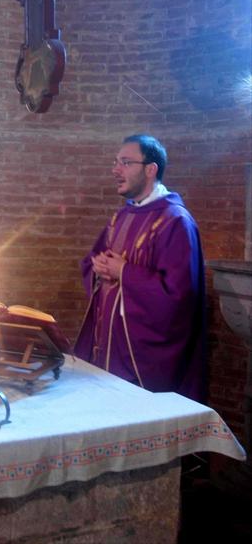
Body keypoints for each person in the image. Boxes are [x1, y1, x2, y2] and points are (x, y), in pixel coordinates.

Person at [74, 134, 206, 402]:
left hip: (142, 364)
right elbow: (94, 262)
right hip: (107, 353)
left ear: (150, 169)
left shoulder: (175, 222)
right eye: (115, 162)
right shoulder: (121, 216)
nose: (115, 170)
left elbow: (179, 298)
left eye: (125, 162)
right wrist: (98, 267)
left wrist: (124, 272)